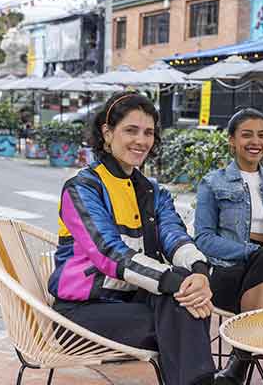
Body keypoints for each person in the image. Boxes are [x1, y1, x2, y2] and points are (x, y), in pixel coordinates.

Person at [47, 92, 219, 385]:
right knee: (184, 313)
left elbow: (174, 235)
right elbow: (109, 255)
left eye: (148, 132)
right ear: (107, 132)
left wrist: (200, 272)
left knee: (183, 300)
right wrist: (180, 283)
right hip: (80, 314)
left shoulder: (152, 191)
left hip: (136, 302)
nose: (141, 140)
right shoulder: (82, 188)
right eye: (131, 130)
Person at [194, 107, 263, 385]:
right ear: (231, 140)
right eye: (247, 135)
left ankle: (239, 364)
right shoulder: (212, 183)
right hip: (229, 274)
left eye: (262, 135)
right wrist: (256, 251)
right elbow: (203, 239)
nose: (256, 142)